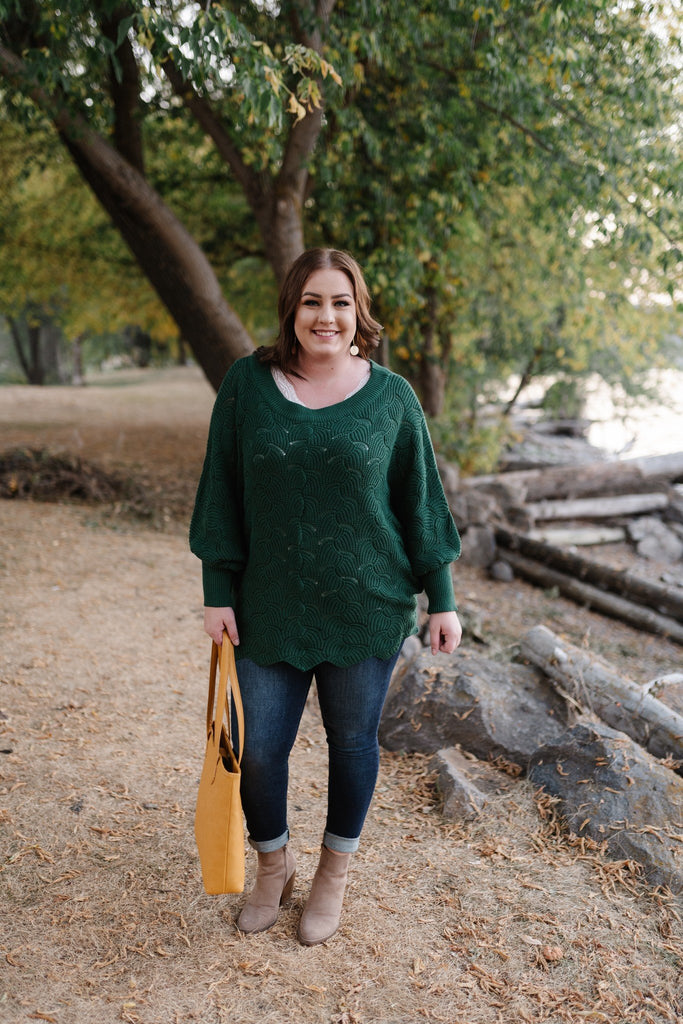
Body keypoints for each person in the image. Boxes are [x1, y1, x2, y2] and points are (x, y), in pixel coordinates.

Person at [190, 247, 462, 945]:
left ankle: (332, 876)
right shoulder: (248, 385)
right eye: (312, 301)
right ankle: (272, 866)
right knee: (258, 749)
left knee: (352, 744)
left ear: (358, 312)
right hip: (267, 606)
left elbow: (421, 502)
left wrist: (441, 598)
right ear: (292, 308)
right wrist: (217, 588)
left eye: (341, 302)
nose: (326, 316)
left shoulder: (392, 398)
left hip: (365, 604)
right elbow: (221, 488)